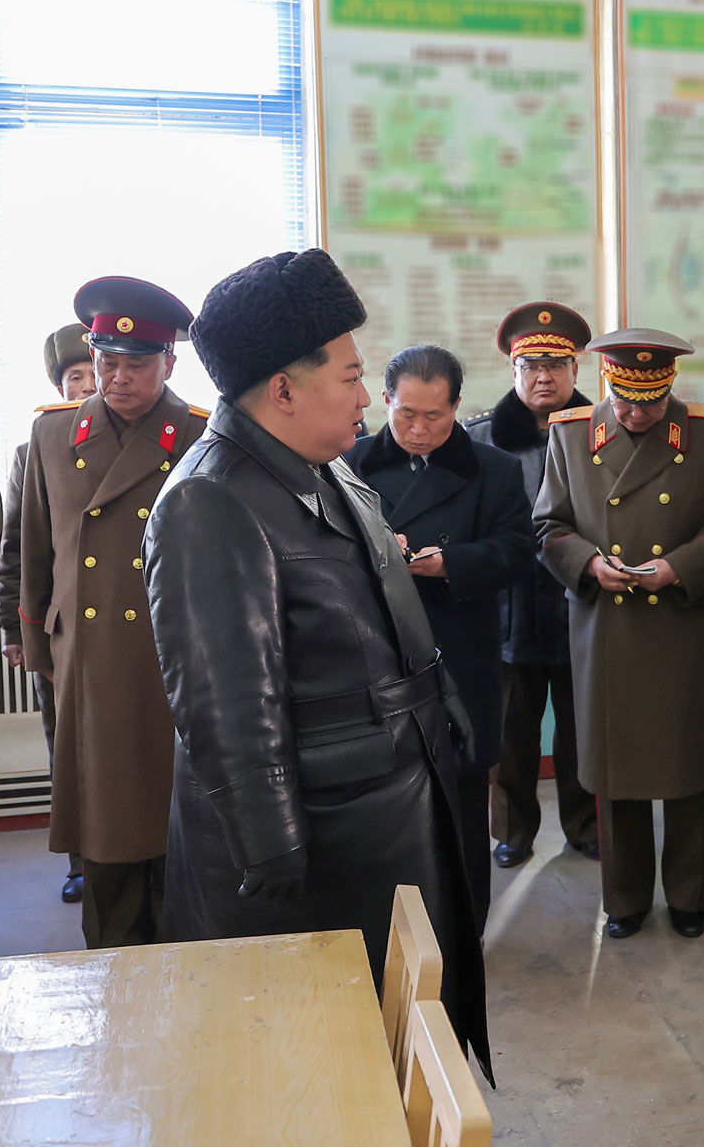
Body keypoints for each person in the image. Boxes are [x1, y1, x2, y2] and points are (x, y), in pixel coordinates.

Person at [145, 248, 488, 1075]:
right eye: (351, 375)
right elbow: (227, 708)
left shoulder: (322, 468)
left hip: (387, 796)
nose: (367, 396)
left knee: (403, 1024)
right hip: (326, 840)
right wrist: (272, 857)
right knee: (325, 1057)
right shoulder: (211, 499)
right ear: (284, 389)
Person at [534, 329, 704, 940]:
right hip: (608, 624)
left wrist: (678, 565)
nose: (636, 414)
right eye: (626, 400)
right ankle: (624, 898)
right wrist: (589, 565)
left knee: (685, 768)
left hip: (684, 618)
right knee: (614, 766)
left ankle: (689, 895)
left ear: (670, 388)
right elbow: (548, 526)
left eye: (650, 403)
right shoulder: (571, 434)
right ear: (607, 383)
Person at [18, 278, 207, 949]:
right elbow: (36, 547)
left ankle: (181, 947)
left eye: (137, 363)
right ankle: (114, 956)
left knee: (175, 820)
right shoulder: (52, 433)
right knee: (105, 820)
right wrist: (37, 645)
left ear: (169, 364)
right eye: (107, 362)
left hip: (172, 654)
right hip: (90, 658)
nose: (118, 377)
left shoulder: (200, 436)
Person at [344, 344, 534, 926]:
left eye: (435, 416)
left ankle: (466, 925)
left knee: (461, 800)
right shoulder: (348, 464)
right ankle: (392, 929)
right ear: (384, 402)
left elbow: (518, 552)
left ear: (457, 407)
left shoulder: (492, 468)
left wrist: (450, 563)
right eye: (406, 414)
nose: (420, 429)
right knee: (385, 804)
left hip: (460, 653)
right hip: (376, 659)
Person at [464, 302, 599, 870]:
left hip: (582, 605)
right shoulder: (479, 439)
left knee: (580, 729)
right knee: (510, 734)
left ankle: (585, 826)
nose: (543, 377)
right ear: (514, 372)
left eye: (555, 365)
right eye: (531, 366)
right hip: (507, 610)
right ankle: (513, 831)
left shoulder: (603, 430)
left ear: (574, 370)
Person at [0, 321, 96, 905]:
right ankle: (81, 859)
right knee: (68, 749)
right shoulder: (33, 451)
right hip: (62, 631)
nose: (85, 388)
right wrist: (15, 627)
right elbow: (18, 549)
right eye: (73, 378)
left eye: (92, 375)